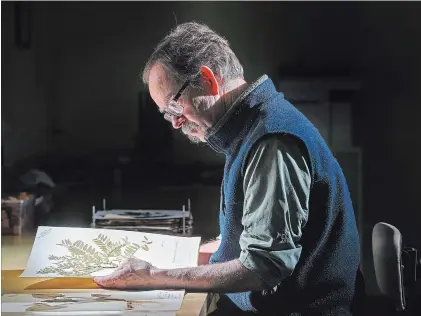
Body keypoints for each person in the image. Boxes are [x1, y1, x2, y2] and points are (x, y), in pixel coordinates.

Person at [94, 22, 362, 316]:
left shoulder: (271, 142)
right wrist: (179, 258)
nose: (174, 122)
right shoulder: (254, 126)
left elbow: (263, 267)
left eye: (174, 106)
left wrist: (153, 277)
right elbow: (257, 234)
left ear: (208, 80)